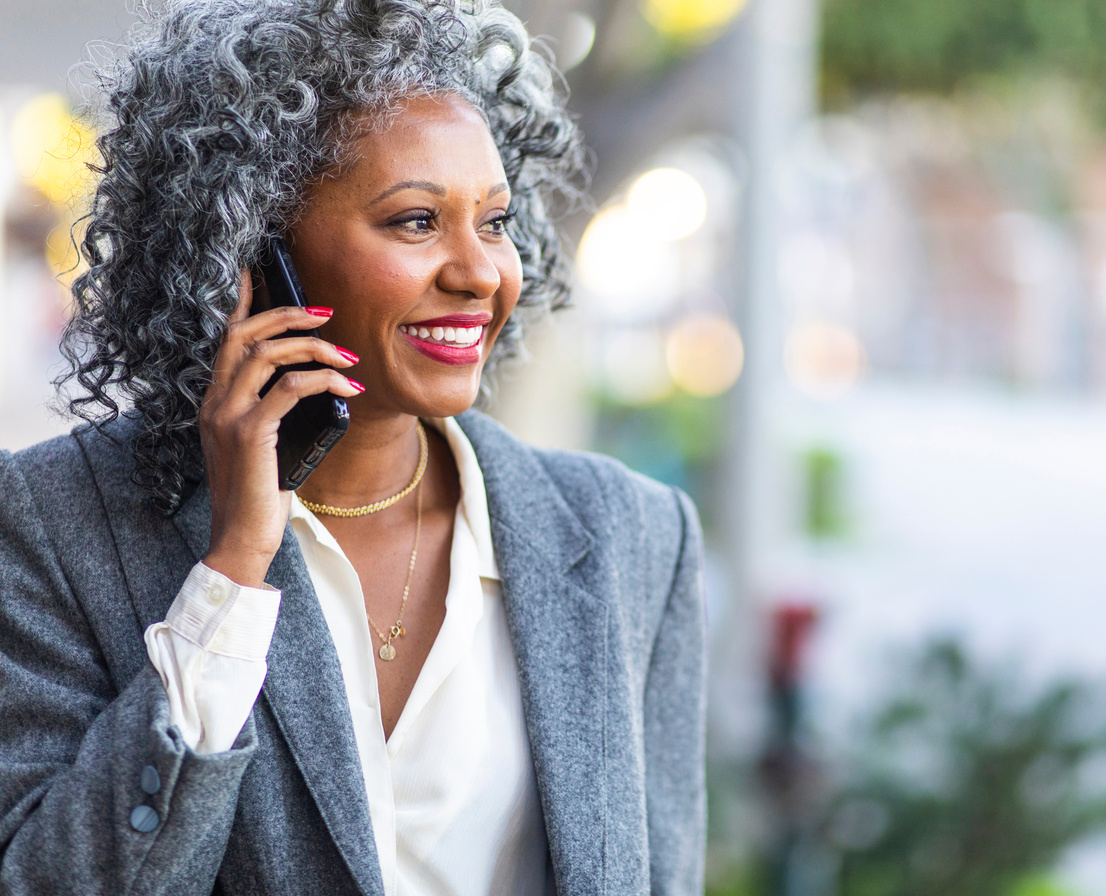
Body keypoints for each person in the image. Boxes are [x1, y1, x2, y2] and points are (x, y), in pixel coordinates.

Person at [0, 1, 706, 894]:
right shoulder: (55, 527)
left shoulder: (634, 536)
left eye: (492, 221)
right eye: (415, 222)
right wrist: (230, 576)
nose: (480, 273)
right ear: (251, 246)